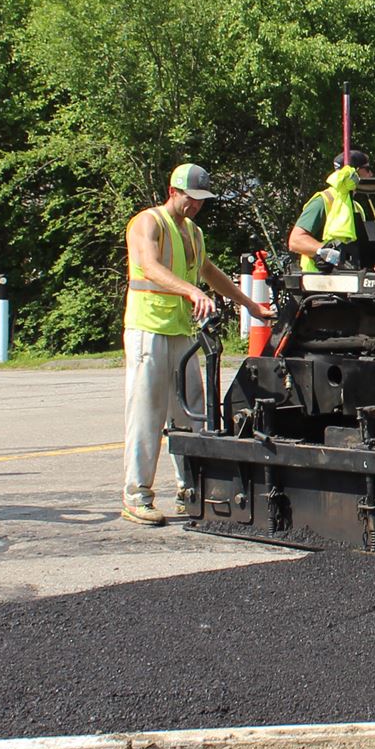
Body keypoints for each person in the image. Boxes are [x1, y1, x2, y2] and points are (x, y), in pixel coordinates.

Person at [124, 161, 270, 526]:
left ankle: (188, 489)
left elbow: (209, 272)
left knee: (190, 411)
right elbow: (150, 266)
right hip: (148, 329)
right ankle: (136, 496)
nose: (197, 205)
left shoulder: (193, 231)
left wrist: (250, 305)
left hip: (180, 332)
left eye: (202, 199)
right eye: (191, 198)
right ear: (173, 192)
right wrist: (191, 291)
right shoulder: (149, 222)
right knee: (147, 413)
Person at [287, 153, 364, 272]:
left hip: (348, 278)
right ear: (354, 173)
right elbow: (295, 241)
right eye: (367, 169)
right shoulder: (323, 201)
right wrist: (324, 252)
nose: (371, 174)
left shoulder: (356, 207)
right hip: (317, 279)